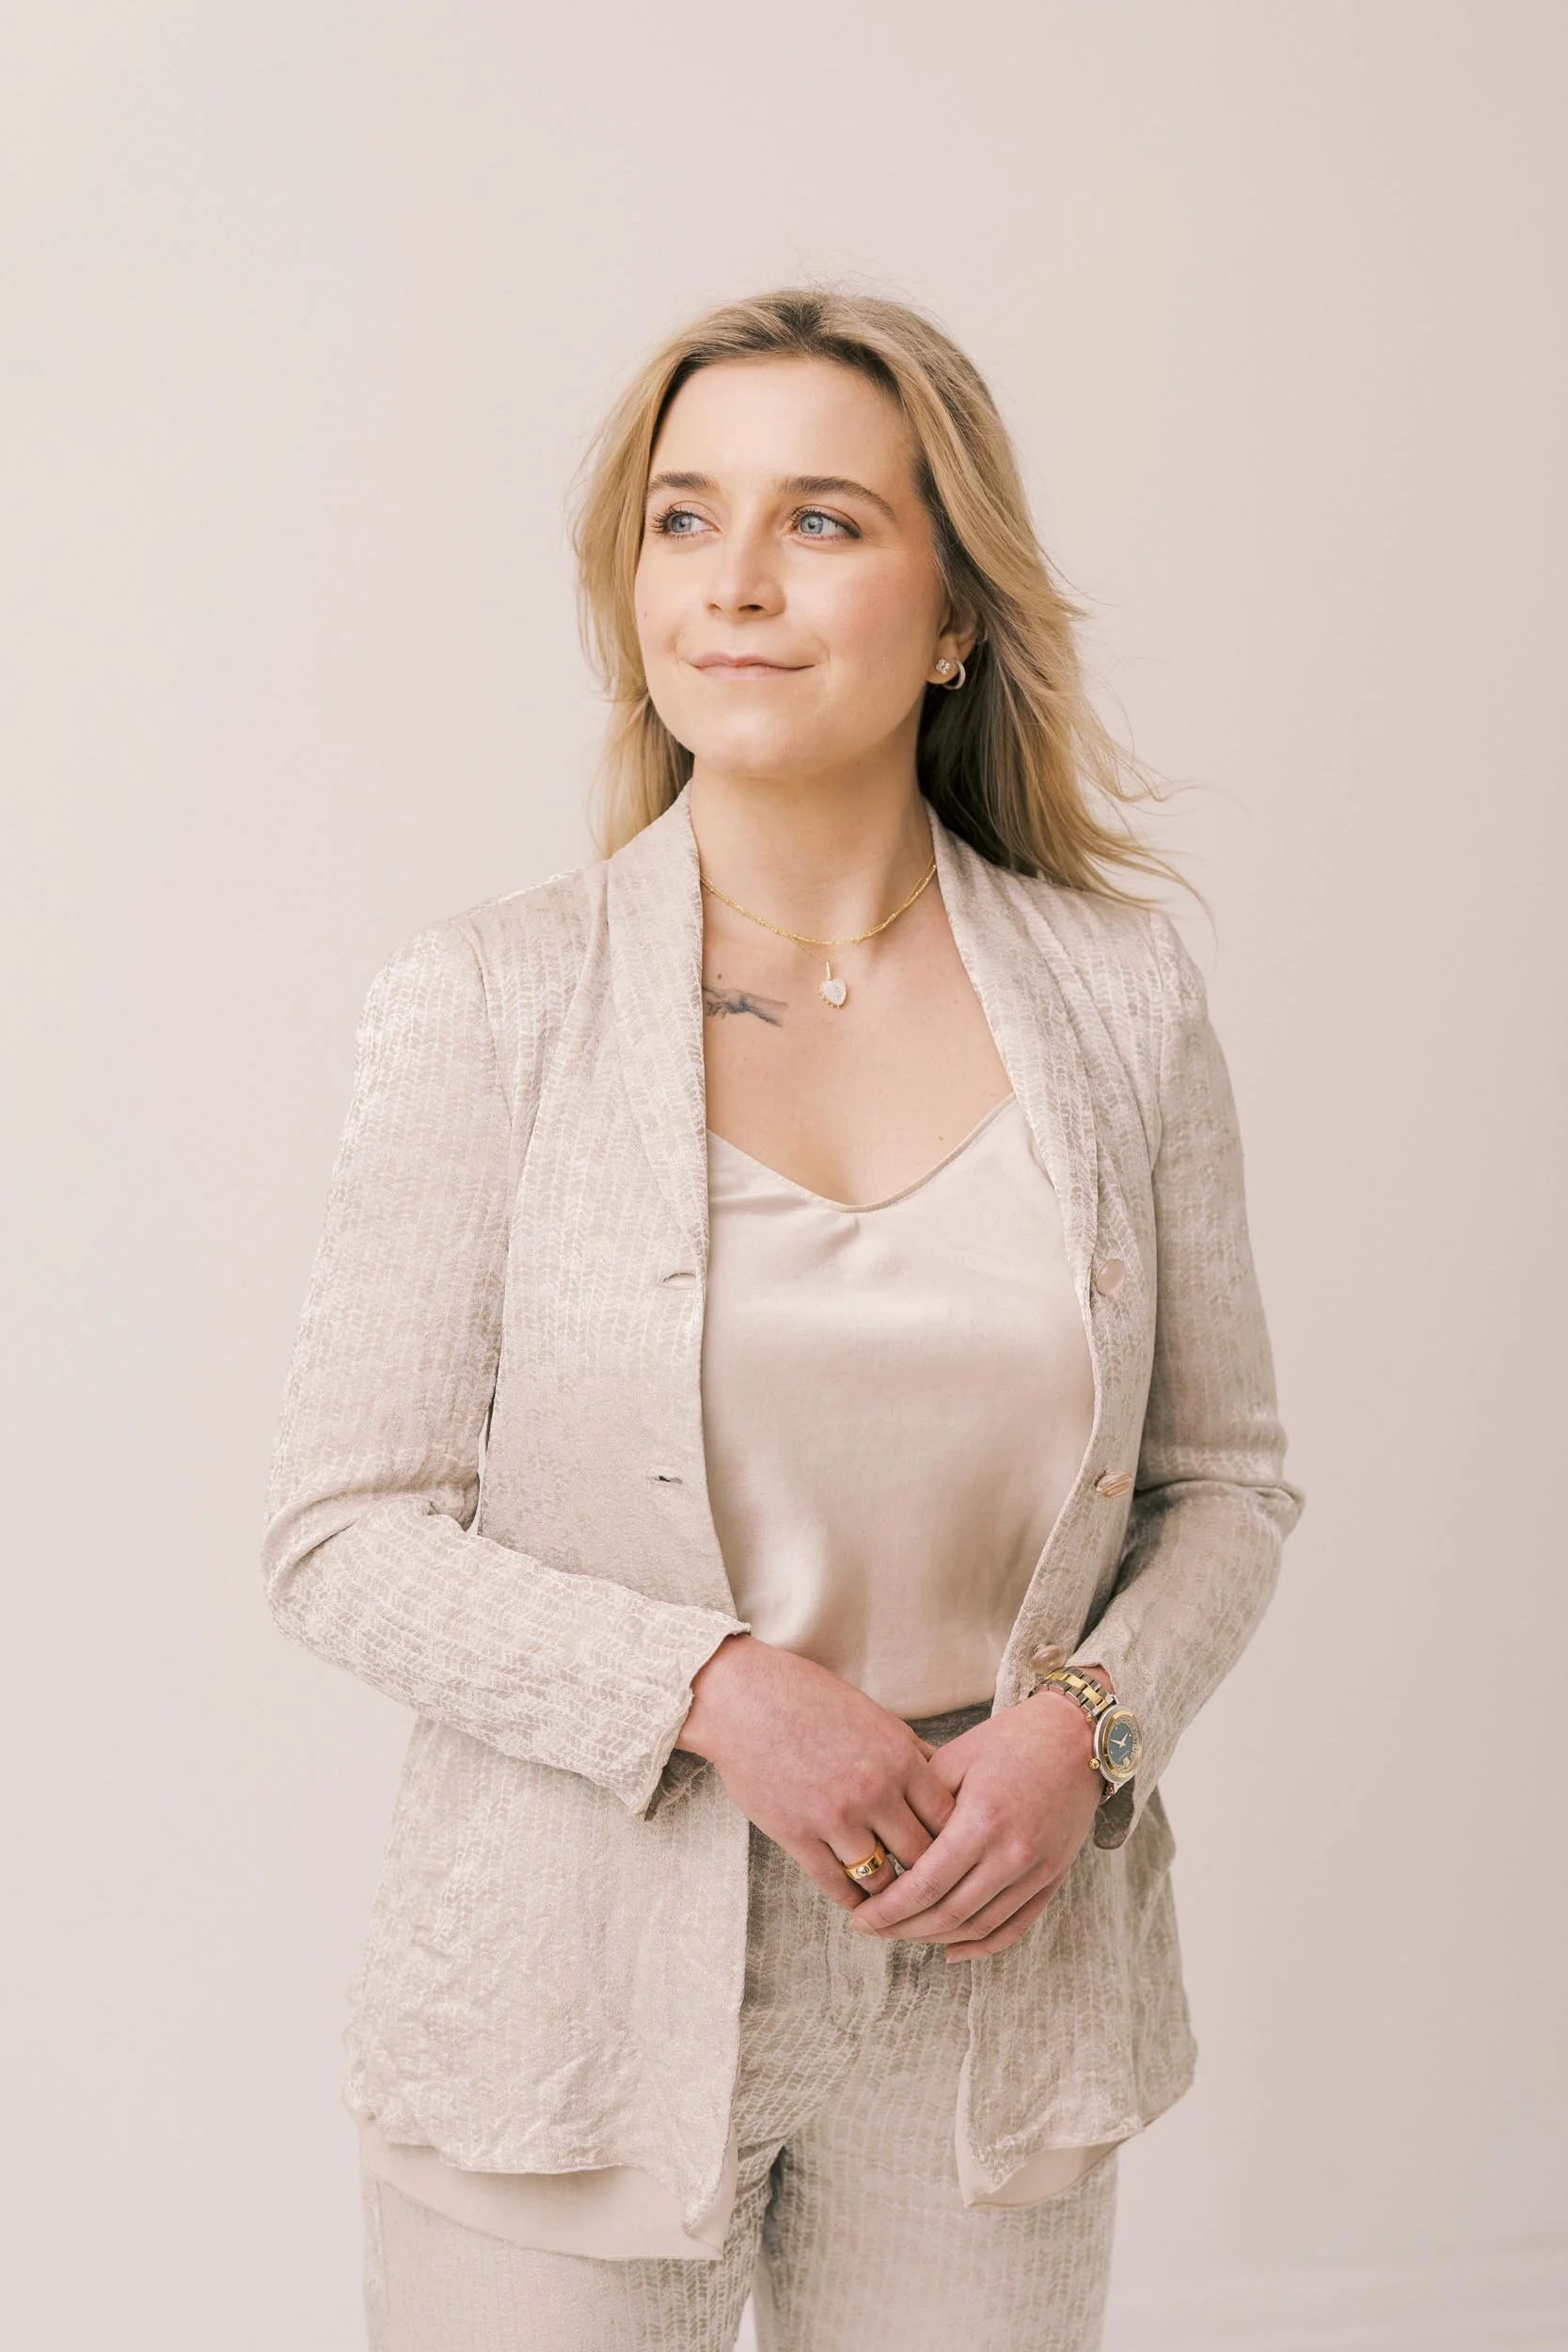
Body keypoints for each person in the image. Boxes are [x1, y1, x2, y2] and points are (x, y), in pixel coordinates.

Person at [261, 286, 1306, 2352]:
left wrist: (1080, 1735)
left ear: (952, 615)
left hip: (987, 1992)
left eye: (820, 519)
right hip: (562, 2001)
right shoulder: (489, 1000)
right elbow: (338, 1526)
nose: (732, 581)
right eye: (681, 518)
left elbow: (1224, 1481)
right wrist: (719, 1687)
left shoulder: (1118, 999)